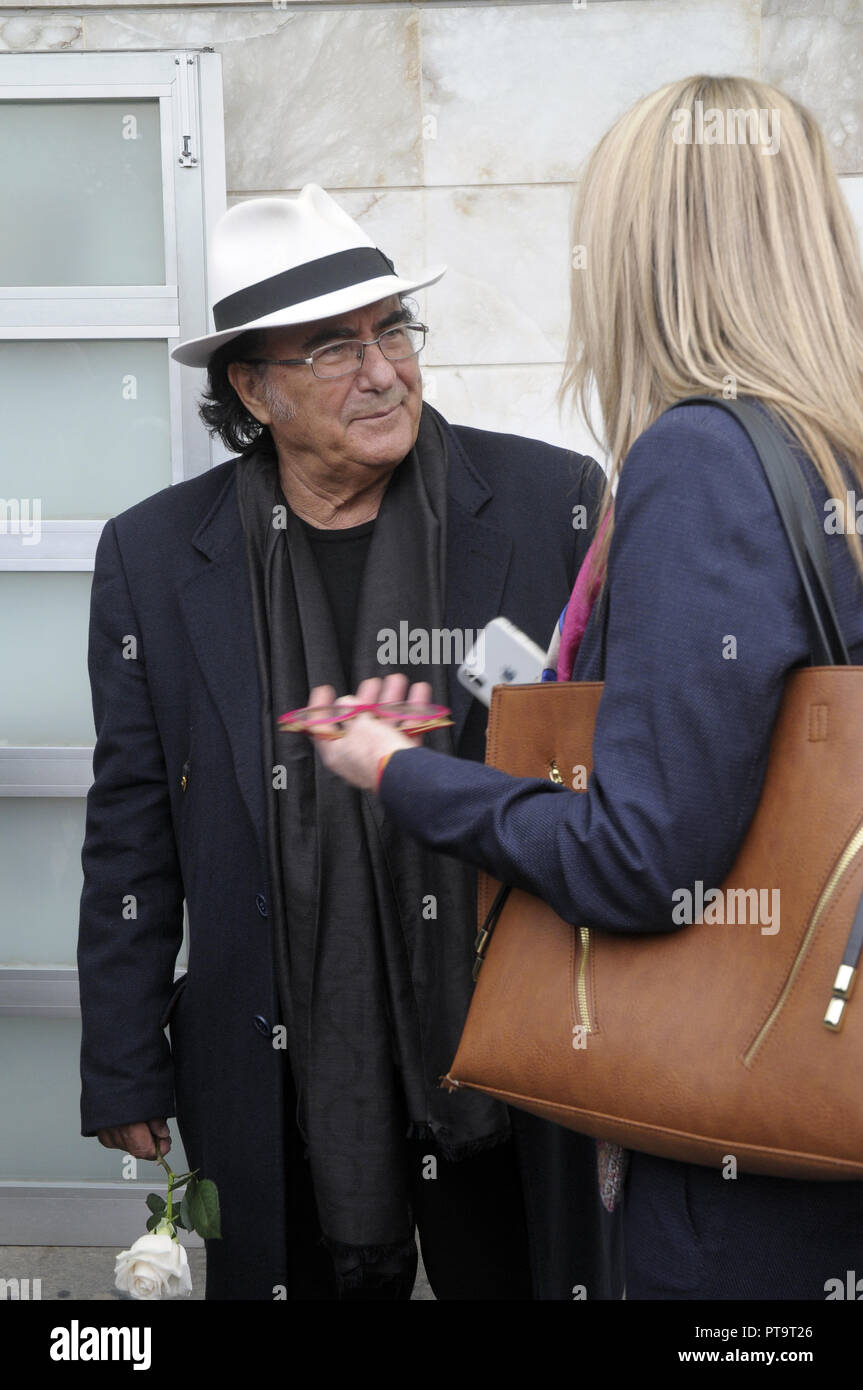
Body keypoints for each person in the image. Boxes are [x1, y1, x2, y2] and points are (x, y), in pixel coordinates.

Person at [311, 76, 863, 1300]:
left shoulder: (704, 457)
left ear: (645, 254)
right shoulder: (831, 443)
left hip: (748, 1167)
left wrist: (405, 773)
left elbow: (640, 859)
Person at [77, 184, 623, 1299]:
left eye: (392, 331)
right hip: (270, 1050)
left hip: (503, 1042)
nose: (382, 371)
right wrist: (124, 1053)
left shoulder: (544, 505)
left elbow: (602, 766)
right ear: (251, 386)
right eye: (333, 348)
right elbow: (132, 820)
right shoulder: (153, 557)